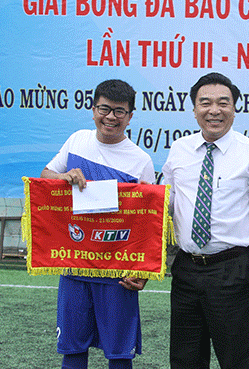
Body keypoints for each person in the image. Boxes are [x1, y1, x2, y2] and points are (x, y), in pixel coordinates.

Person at [162, 72, 249, 369]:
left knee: (237, 359)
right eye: (205, 103)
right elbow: (167, 206)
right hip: (187, 269)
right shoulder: (179, 150)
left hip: (235, 270)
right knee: (185, 358)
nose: (214, 110)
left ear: (234, 109)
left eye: (223, 103)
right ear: (194, 109)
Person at [40, 79, 155, 369]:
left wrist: (142, 272)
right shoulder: (77, 140)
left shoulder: (140, 160)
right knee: (72, 348)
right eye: (104, 108)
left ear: (130, 116)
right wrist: (62, 178)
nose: (111, 117)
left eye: (119, 111)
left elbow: (147, 223)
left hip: (117, 272)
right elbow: (45, 176)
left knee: (119, 352)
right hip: (76, 263)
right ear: (93, 110)